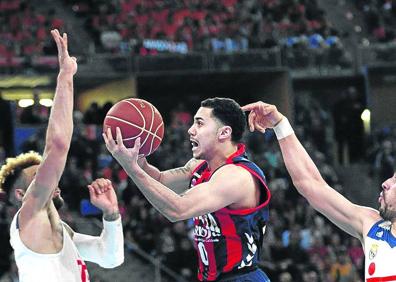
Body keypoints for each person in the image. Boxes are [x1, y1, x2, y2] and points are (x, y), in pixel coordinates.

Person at [0, 29, 124, 282]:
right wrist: (65, 77)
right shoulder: (29, 216)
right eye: (39, 177)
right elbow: (57, 146)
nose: (52, 180)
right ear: (21, 195)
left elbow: (110, 258)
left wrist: (111, 215)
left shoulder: (61, 231)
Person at [103, 97, 271, 281]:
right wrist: (137, 157)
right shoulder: (199, 165)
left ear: (223, 133)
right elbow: (160, 180)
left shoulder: (237, 176)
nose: (190, 130)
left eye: (199, 123)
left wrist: (131, 168)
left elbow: (178, 209)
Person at [242, 101, 396, 281]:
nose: (385, 183)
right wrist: (280, 125)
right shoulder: (371, 225)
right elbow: (310, 184)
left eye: (395, 182)